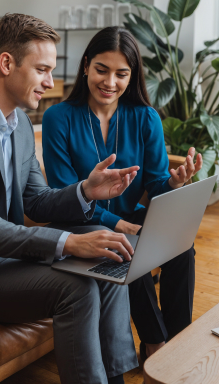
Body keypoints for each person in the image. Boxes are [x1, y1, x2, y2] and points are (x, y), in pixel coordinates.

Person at [0, 15, 140, 384]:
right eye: (42, 69)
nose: (50, 82)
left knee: (103, 259)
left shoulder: (20, 122)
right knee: (76, 287)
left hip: (1, 258)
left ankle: (117, 378)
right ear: (7, 63)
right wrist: (71, 242)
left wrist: (86, 190)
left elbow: (36, 201)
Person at [42, 26, 203, 361]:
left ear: (132, 76)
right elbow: (62, 192)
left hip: (130, 218)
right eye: (102, 69)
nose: (110, 82)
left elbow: (156, 184)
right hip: (80, 221)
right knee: (128, 248)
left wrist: (174, 183)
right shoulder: (58, 117)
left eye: (121, 73)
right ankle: (156, 343)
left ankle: (177, 344)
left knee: (181, 247)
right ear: (86, 65)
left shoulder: (146, 117)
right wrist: (118, 224)